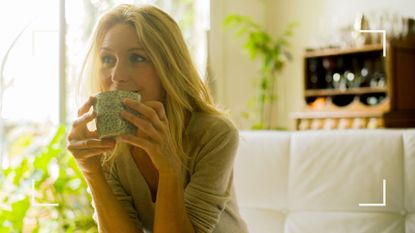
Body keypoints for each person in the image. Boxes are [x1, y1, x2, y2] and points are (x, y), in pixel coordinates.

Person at [67, 4, 248, 233]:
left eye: (137, 58)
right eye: (108, 59)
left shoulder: (214, 134)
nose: (117, 75)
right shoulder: (108, 146)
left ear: (169, 67)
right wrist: (91, 170)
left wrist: (169, 169)